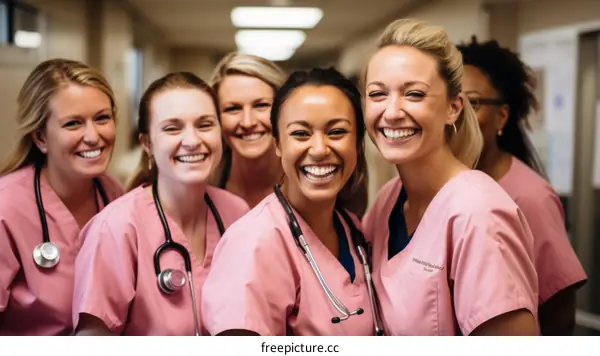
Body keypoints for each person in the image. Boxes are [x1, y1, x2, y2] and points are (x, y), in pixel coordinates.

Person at [361, 19, 540, 335]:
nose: (391, 112)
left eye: (414, 94)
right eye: (377, 94)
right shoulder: (389, 199)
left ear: (453, 108)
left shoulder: (479, 214)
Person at [202, 67, 381, 336]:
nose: (320, 149)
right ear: (277, 144)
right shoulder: (252, 242)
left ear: (357, 143)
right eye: (300, 134)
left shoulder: (351, 228)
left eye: (336, 132)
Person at [71, 72, 250, 336]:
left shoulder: (237, 214)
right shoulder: (116, 228)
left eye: (205, 125)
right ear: (147, 144)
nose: (192, 141)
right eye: (172, 128)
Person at [457, 37, 587, 335]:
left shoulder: (529, 197)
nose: (457, 114)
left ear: (502, 115)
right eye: (451, 101)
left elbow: (559, 315)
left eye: (472, 102)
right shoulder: (429, 186)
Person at [0, 58, 124, 335]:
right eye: (73, 124)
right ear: (41, 137)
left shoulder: (114, 195)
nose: (93, 136)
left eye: (102, 118)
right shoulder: (6, 208)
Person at [209, 52, 286, 208]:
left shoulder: (310, 184)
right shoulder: (202, 187)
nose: (247, 122)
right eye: (233, 108)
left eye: (261, 105)